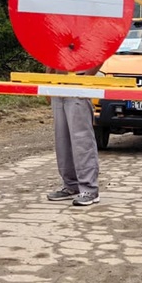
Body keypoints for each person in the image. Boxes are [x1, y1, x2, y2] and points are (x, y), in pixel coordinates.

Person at [46, 68, 100, 207]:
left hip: (77, 85)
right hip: (58, 86)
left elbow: (99, 55)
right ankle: (71, 185)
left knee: (81, 140)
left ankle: (89, 189)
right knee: (62, 140)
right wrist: (48, 82)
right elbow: (51, 58)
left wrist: (83, 80)